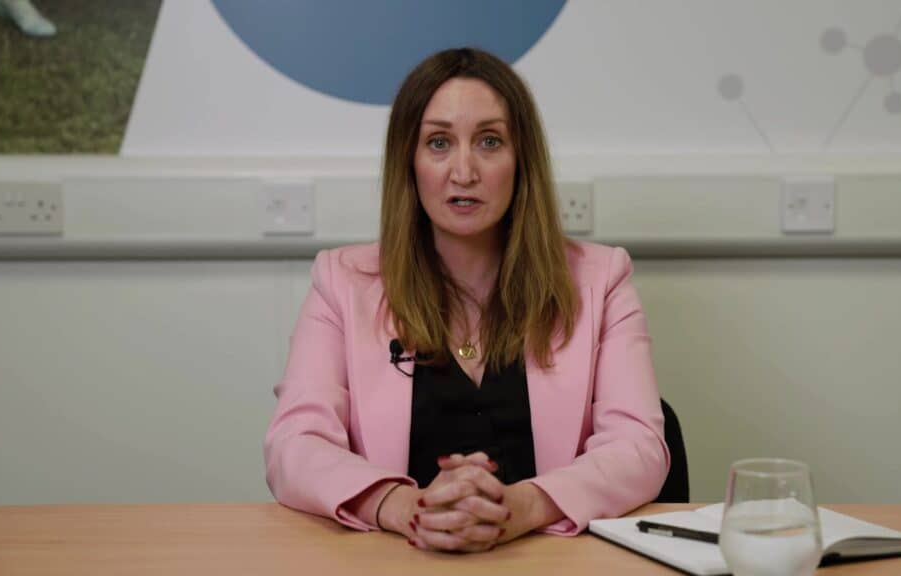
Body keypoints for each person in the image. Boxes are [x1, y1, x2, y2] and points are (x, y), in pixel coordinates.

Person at [264, 47, 669, 553]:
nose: (463, 171)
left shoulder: (601, 279)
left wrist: (519, 508)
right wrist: (403, 507)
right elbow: (294, 446)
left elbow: (640, 448)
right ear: (408, 164)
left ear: (521, 161)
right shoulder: (342, 282)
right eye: (438, 143)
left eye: (489, 142)